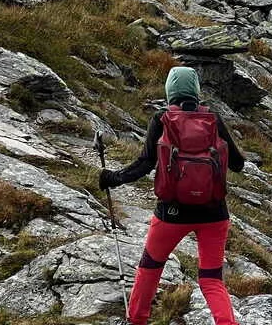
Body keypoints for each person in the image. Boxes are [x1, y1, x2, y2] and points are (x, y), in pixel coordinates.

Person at [99, 67, 246, 325]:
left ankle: (136, 320)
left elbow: (145, 164)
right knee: (211, 279)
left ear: (170, 92)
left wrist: (114, 178)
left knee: (150, 268)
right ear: (196, 92)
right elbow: (238, 164)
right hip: (214, 213)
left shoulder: (162, 119)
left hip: (171, 213)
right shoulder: (213, 118)